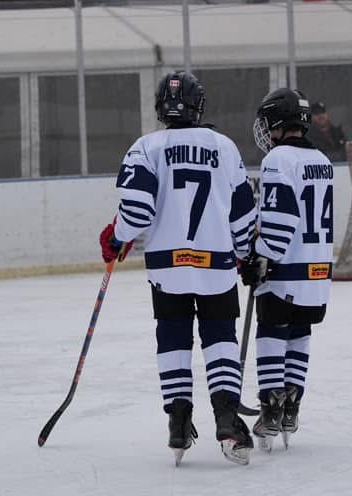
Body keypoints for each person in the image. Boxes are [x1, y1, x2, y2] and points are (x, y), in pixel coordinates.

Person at [98, 71, 257, 466]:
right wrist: (245, 252)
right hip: (216, 263)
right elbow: (242, 211)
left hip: (166, 267)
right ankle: (226, 419)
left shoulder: (145, 147)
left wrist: (117, 236)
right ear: (198, 105)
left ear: (159, 106)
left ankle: (178, 422)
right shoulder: (223, 146)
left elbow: (136, 212)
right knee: (220, 339)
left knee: (172, 339)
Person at [240, 88, 334, 452]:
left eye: (267, 122)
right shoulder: (323, 160)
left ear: (279, 122)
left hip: (286, 269)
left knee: (272, 331)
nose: (264, 130)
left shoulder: (279, 159)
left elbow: (280, 219)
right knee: (299, 332)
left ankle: (271, 406)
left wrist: (261, 257)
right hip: (317, 272)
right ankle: (292, 406)